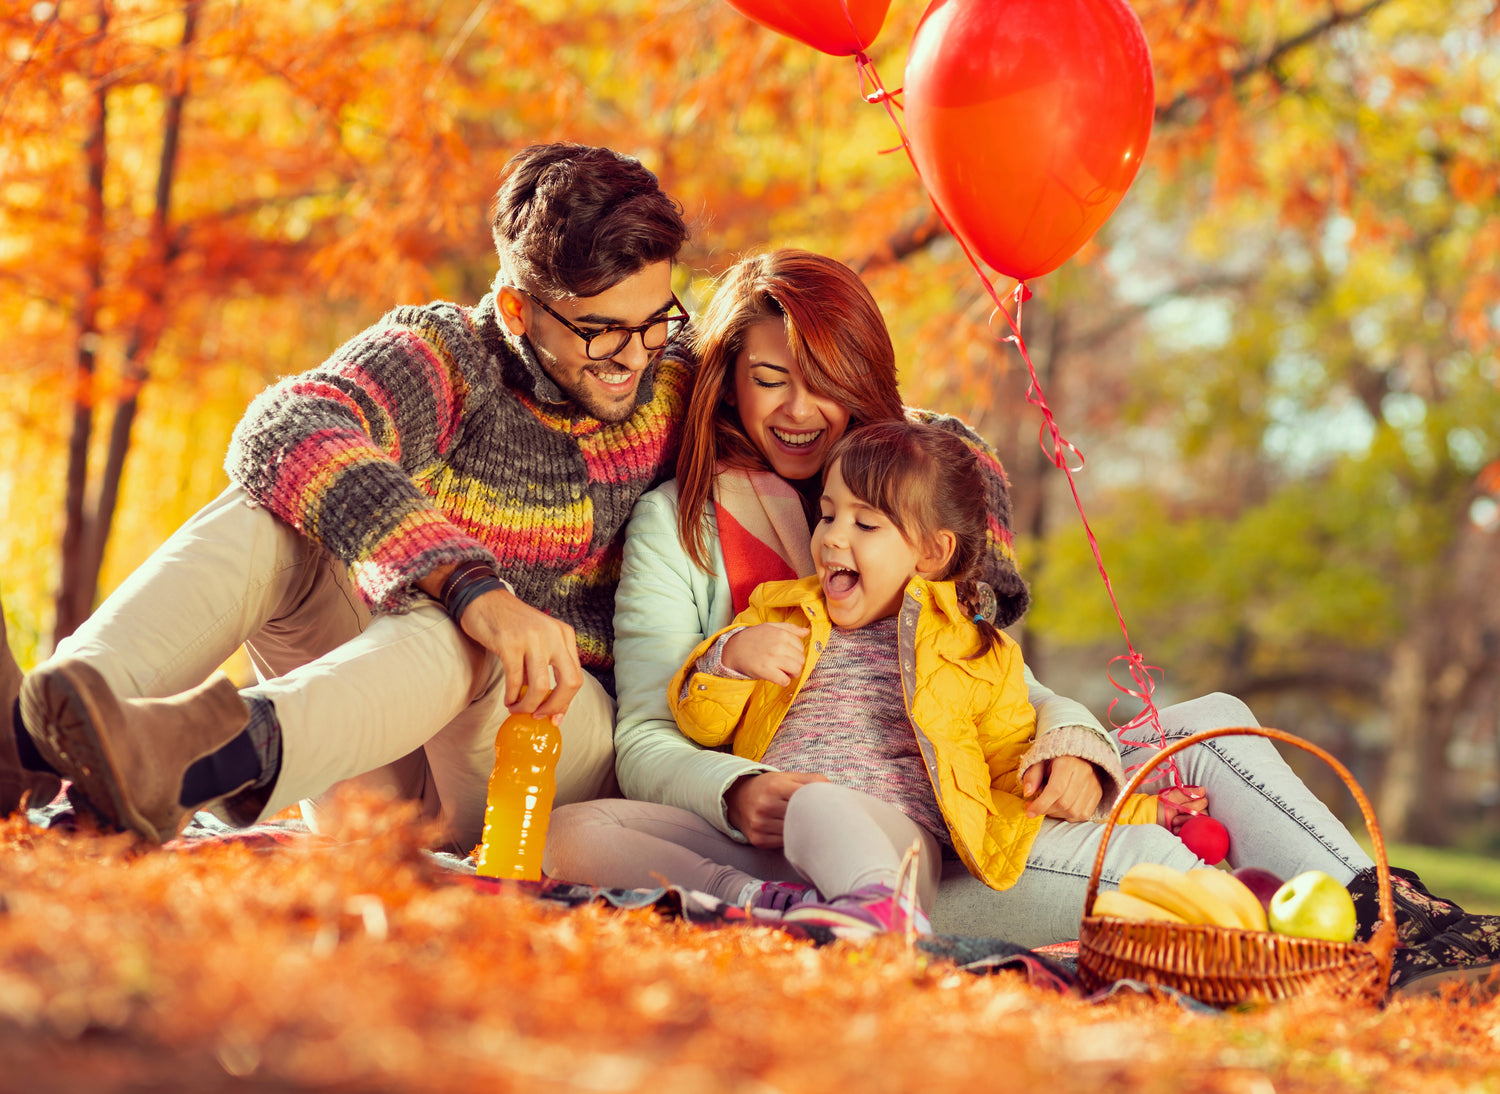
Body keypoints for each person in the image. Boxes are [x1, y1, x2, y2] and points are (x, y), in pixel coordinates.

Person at [544, 248, 1500, 996]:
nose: (801, 410)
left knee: (1209, 719)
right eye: (768, 378)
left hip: (980, 788)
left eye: (826, 377)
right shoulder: (685, 530)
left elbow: (995, 673)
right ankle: (1338, 949)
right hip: (914, 849)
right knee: (1148, 866)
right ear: (727, 379)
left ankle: (1409, 925)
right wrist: (743, 786)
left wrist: (1080, 747)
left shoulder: (914, 490)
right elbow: (647, 733)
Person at [1, 141, 692, 853]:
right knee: (285, 506)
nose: (635, 357)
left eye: (653, 321)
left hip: (545, 755)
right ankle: (35, 738)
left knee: (463, 633)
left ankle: (201, 763)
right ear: (517, 309)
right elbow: (288, 422)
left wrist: (470, 601)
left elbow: (796, 402)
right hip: (374, 745)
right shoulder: (453, 356)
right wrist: (472, 585)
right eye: (600, 333)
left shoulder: (681, 380)